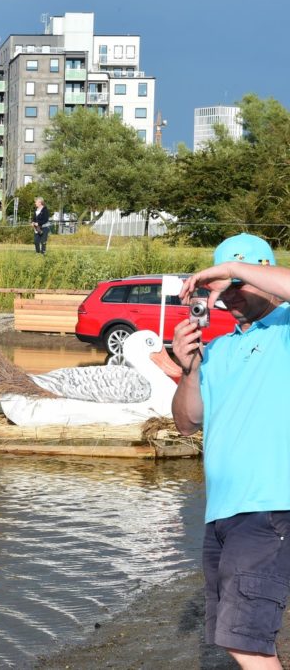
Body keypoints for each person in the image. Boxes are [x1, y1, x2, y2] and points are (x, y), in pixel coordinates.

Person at [171, 233, 290, 668]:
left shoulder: (287, 329)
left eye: (238, 283)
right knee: (236, 633)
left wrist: (233, 271)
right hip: (222, 514)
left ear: (262, 271)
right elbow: (187, 423)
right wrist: (190, 369)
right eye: (222, 291)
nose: (230, 297)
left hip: (270, 505)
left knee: (246, 638)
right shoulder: (219, 349)